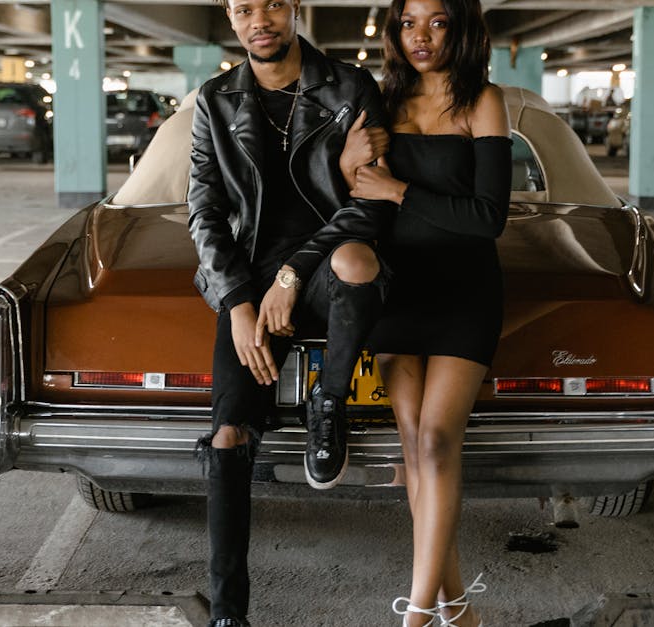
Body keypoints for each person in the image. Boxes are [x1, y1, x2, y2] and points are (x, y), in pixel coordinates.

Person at [187, 0, 395, 624]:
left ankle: (327, 405)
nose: (261, 19)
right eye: (245, 7)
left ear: (296, 7)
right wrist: (236, 302)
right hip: (252, 282)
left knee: (357, 262)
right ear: (230, 16)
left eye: (274, 3)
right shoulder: (215, 100)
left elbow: (370, 204)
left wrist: (293, 272)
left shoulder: (349, 87)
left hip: (328, 269)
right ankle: (229, 612)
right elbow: (204, 212)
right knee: (228, 434)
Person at [339, 0, 510, 624]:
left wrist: (398, 190)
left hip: (465, 289)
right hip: (398, 290)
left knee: (437, 439)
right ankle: (456, 610)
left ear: (459, 28)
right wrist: (349, 164)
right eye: (409, 23)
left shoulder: (482, 101)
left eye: (437, 22)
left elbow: (489, 217)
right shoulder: (382, 102)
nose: (421, 36)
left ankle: (414, 615)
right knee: (412, 446)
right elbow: (356, 195)